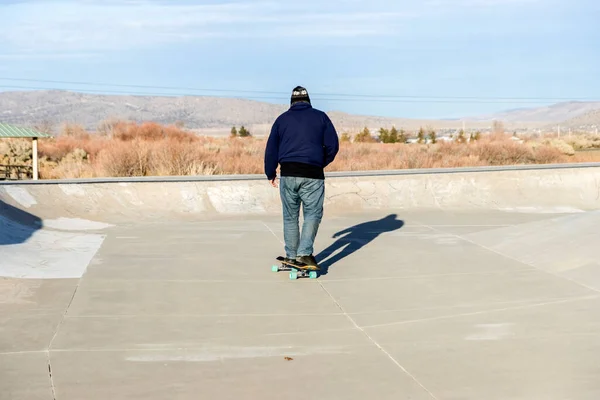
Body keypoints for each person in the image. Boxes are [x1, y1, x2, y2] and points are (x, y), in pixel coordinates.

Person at [264, 86, 339, 269]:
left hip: (288, 173)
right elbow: (333, 146)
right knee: (312, 214)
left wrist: (271, 173)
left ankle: (292, 256)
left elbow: (271, 149)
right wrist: (320, 162)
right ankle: (304, 254)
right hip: (313, 174)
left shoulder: (282, 120)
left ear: (291, 102)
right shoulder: (321, 117)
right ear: (308, 100)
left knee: (290, 217)